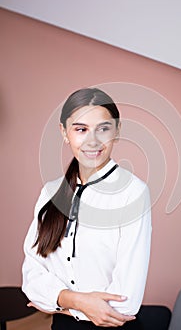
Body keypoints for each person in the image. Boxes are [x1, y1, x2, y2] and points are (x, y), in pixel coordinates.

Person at [22, 88, 152, 329]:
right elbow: (31, 276)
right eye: (80, 129)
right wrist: (79, 302)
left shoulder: (133, 193)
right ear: (64, 132)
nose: (92, 141)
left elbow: (126, 303)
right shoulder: (50, 192)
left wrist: (56, 302)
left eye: (103, 129)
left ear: (117, 131)